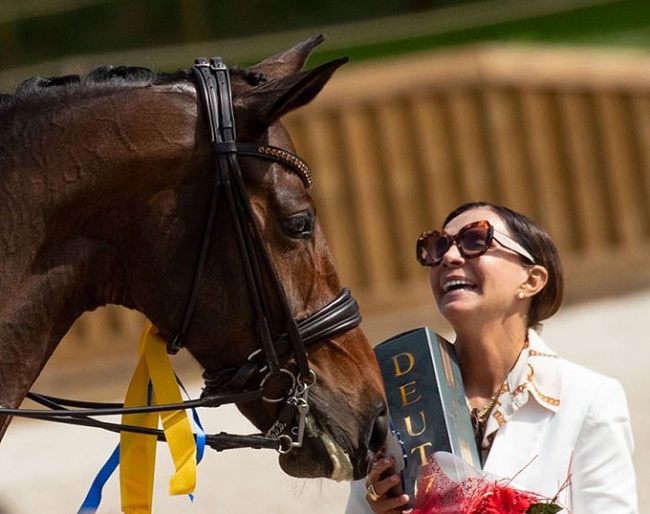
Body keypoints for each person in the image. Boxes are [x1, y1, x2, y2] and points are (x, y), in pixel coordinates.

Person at [345, 201, 637, 514]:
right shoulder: (394, 400)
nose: (449, 257)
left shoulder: (589, 400)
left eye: (475, 241)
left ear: (531, 280)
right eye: (438, 246)